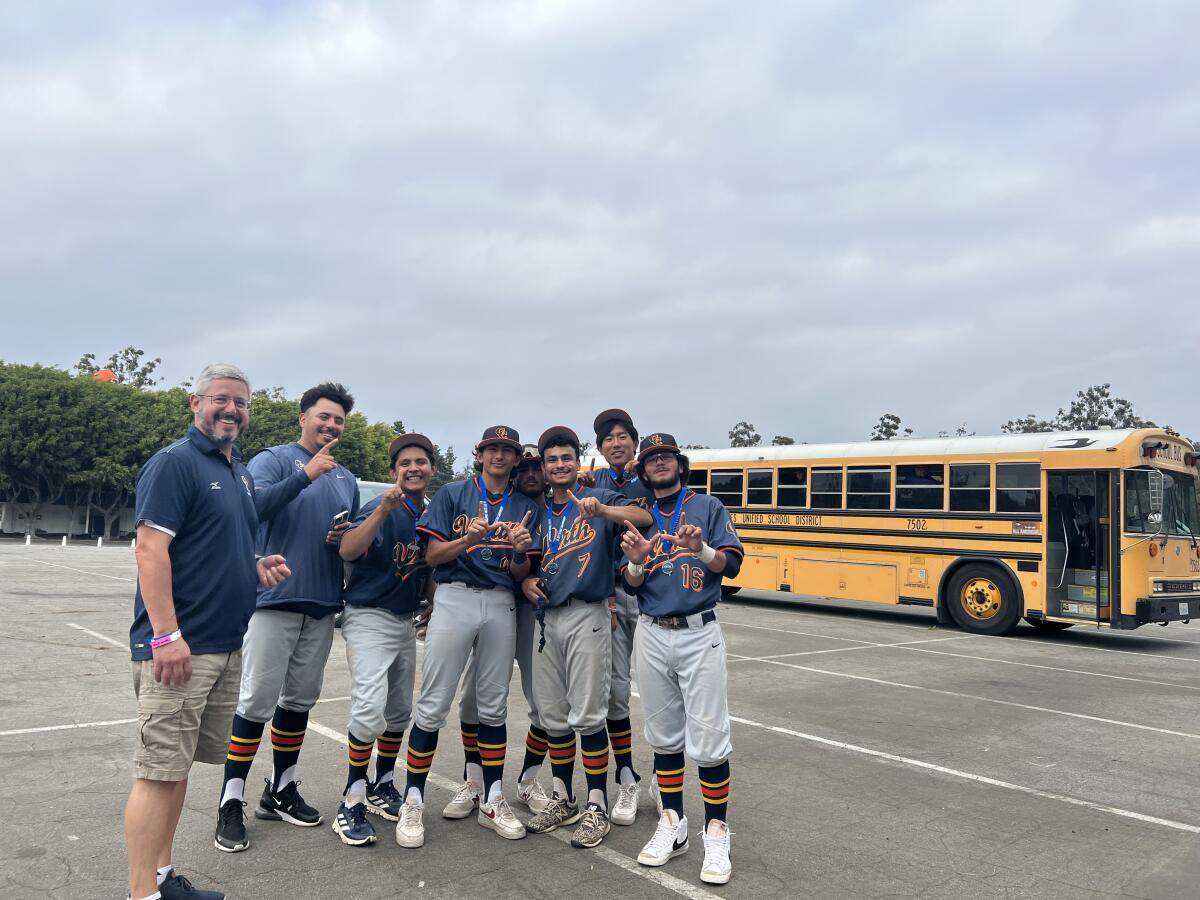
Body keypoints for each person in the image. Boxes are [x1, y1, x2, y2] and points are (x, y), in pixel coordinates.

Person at [124, 363, 290, 900]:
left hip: (221, 645)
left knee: (177, 771)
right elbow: (150, 548)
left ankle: (162, 879)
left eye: (240, 403)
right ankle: (140, 895)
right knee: (158, 772)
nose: (231, 410)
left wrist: (254, 564)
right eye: (220, 399)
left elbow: (218, 544)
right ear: (194, 404)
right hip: (179, 646)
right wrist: (166, 635)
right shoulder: (175, 463)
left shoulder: (237, 469)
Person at [214, 383, 360, 853]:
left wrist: (345, 537)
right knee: (256, 701)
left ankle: (280, 789)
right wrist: (306, 475)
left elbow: (347, 541)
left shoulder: (347, 479)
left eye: (338, 420)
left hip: (320, 605)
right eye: (324, 417)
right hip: (273, 601)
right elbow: (248, 508)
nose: (331, 426)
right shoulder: (274, 460)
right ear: (303, 418)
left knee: (298, 703)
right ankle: (229, 800)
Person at [395, 426, 541, 847]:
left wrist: (517, 552)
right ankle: (413, 799)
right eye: (492, 449)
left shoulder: (523, 504)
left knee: (493, 706)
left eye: (507, 451)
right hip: (455, 596)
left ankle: (493, 798)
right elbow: (433, 556)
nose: (499, 456)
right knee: (434, 702)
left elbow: (519, 574)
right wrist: (467, 539)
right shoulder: (453, 493)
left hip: (499, 600)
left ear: (516, 459)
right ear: (479, 454)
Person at [619, 433, 744, 885]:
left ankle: (716, 829)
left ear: (678, 463)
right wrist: (635, 562)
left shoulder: (706, 507)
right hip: (652, 630)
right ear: (643, 470)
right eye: (651, 459)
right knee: (665, 736)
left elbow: (730, 566)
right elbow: (632, 583)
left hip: (698, 630)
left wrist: (702, 549)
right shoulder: (638, 515)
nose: (659, 463)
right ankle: (673, 824)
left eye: (665, 456)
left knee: (709, 736)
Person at [521, 426, 654, 848]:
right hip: (547, 618)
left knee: (590, 714)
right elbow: (530, 567)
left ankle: (598, 804)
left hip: (588, 613)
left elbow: (645, 518)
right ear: (543, 468)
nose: (560, 466)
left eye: (566, 458)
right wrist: (524, 578)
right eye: (552, 460)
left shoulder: (600, 499)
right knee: (554, 715)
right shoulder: (539, 512)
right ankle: (564, 797)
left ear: (577, 461)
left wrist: (603, 512)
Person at [330, 433, 437, 846]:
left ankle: (382, 783)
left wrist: (431, 601)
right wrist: (381, 512)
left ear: (431, 469)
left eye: (421, 462)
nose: (414, 468)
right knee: (369, 709)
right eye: (405, 462)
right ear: (394, 471)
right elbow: (349, 551)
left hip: (404, 619)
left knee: (397, 711)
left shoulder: (426, 511)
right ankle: (352, 798)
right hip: (369, 615)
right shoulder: (381, 505)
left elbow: (425, 567)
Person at [454, 444, 553, 818]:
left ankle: (528, 780)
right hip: (491, 606)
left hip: (532, 613)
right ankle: (474, 780)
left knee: (542, 702)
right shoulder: (498, 503)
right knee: (472, 702)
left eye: (535, 467)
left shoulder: (553, 510)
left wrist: (534, 577)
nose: (529, 473)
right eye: (523, 467)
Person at [589, 408, 653, 825]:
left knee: (663, 689)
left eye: (622, 436)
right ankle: (626, 775)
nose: (616, 443)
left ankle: (667, 780)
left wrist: (607, 507)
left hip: (652, 591)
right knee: (614, 691)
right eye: (607, 438)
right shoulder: (590, 481)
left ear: (635, 440)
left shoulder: (651, 473)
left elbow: (647, 515)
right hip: (611, 592)